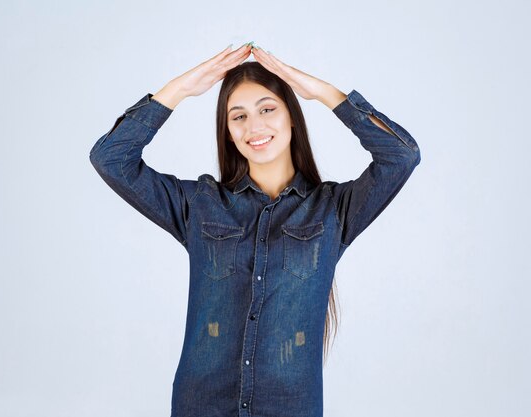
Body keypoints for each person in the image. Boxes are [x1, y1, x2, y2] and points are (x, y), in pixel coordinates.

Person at [89, 41, 421, 417]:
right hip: (202, 406)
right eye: (239, 116)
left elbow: (402, 156)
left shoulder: (333, 212)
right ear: (228, 131)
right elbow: (110, 158)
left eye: (268, 109)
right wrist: (179, 90)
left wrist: (324, 94)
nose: (255, 126)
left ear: (291, 116)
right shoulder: (200, 206)